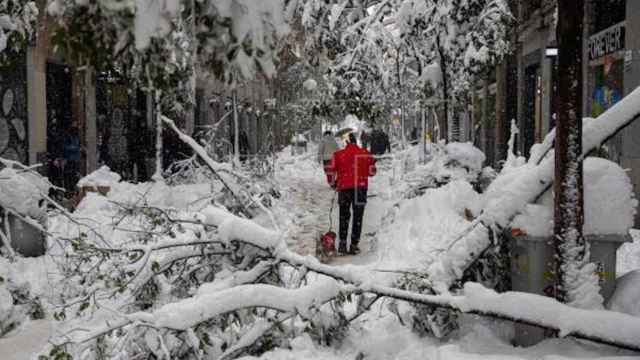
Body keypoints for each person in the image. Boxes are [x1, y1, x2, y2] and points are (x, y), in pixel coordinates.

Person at [327, 133, 376, 255]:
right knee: (357, 217)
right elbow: (372, 172)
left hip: (344, 189)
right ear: (356, 142)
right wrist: (370, 164)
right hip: (360, 189)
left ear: (347, 143)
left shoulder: (338, 155)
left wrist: (333, 183)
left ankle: (342, 244)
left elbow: (331, 171)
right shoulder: (365, 153)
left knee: (344, 215)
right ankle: (354, 245)